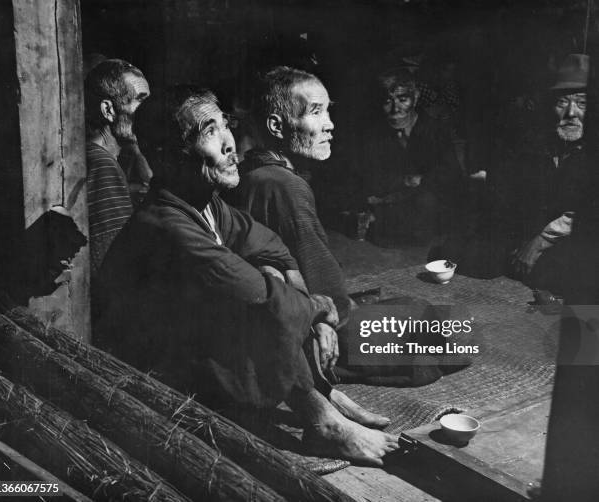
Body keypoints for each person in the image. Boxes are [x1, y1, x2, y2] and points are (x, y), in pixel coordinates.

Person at [95, 88, 399, 466]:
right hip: (155, 373)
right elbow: (260, 296)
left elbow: (272, 246)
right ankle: (321, 418)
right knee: (259, 302)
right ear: (169, 156)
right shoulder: (165, 223)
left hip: (213, 349)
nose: (229, 143)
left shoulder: (207, 204)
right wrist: (319, 309)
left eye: (226, 125)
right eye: (209, 131)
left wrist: (309, 308)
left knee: (271, 277)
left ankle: (320, 397)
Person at [232, 66, 471, 387]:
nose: (330, 125)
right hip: (310, 326)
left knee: (434, 320)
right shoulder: (284, 185)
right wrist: (341, 315)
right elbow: (322, 285)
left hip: (287, 313)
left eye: (329, 111)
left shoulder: (255, 172)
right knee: (444, 330)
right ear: (276, 125)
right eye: (316, 112)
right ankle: (319, 365)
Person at [490, 54, 592, 295]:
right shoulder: (542, 144)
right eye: (562, 102)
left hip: (583, 234)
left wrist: (540, 241)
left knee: (557, 271)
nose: (571, 113)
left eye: (582, 103)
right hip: (541, 230)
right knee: (481, 255)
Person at [358, 67, 465, 245]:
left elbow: (452, 175)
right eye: (387, 101)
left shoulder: (435, 129)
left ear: (415, 97)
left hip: (428, 202)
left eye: (403, 99)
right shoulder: (374, 133)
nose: (395, 109)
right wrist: (406, 182)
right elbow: (369, 176)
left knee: (426, 205)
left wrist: (421, 180)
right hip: (392, 199)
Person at [84, 59, 151, 275]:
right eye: (141, 101)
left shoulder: (103, 158)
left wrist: (135, 146)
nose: (149, 113)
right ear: (108, 110)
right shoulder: (102, 165)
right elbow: (114, 261)